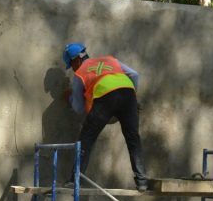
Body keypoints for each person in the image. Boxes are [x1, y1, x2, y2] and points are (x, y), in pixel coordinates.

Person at [62, 42, 149, 192]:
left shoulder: (80, 73)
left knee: (86, 139)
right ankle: (142, 181)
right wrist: (132, 96)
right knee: (133, 138)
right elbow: (134, 74)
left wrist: (71, 99)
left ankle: (75, 180)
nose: (73, 69)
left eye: (72, 65)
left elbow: (78, 108)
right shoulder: (110, 60)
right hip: (128, 95)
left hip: (105, 98)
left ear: (76, 60)